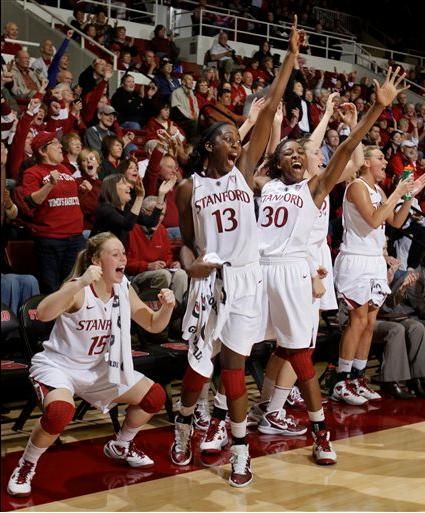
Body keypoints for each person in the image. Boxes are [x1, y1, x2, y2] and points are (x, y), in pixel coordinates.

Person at [253, 67, 413, 466]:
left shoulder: (305, 184)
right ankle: (272, 408)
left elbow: (346, 153)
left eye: (307, 153)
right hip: (299, 269)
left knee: (286, 346)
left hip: (296, 266)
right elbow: (335, 152)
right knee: (296, 346)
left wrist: (340, 118)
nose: (312, 152)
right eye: (306, 153)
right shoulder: (298, 185)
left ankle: (268, 405)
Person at [169, 17, 302, 488]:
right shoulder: (189, 187)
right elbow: (184, 243)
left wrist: (288, 60)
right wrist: (193, 265)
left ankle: (240, 451)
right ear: (209, 147)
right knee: (196, 369)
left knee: (235, 368)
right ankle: (185, 421)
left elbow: (268, 115)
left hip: (247, 280)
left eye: (235, 138)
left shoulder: (244, 171)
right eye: (226, 137)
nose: (235, 142)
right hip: (211, 282)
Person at [6, 231, 176, 497]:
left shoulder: (123, 287)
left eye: (123, 253)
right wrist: (78, 283)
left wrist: (166, 308)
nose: (123, 258)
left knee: (154, 396)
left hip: (99, 368)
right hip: (59, 367)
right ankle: (26, 464)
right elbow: (43, 313)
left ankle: (121, 445)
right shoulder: (79, 288)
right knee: (60, 412)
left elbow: (153, 324)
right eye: (115, 253)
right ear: (96, 260)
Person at [332, 137, 425, 404]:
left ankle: (357, 377)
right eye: (380, 159)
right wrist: (398, 193)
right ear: (366, 164)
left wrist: (409, 196)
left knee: (370, 323)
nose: (385, 162)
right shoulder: (357, 187)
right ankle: (342, 380)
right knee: (358, 321)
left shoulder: (378, 190)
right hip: (356, 259)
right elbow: (373, 220)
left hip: (374, 260)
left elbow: (395, 221)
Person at [21, 132, 85, 293]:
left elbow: (69, 199)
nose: (60, 146)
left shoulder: (64, 169)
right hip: (51, 239)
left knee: (75, 287)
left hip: (76, 237)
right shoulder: (33, 172)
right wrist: (49, 184)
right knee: (52, 288)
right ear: (43, 151)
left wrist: (82, 190)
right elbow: (32, 201)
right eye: (55, 144)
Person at [92, 174, 144, 245]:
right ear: (112, 188)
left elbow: (150, 221)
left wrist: (161, 194)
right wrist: (139, 197)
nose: (129, 185)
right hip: (99, 252)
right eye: (123, 183)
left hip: (115, 251)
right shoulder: (105, 209)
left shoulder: (126, 208)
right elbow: (127, 225)